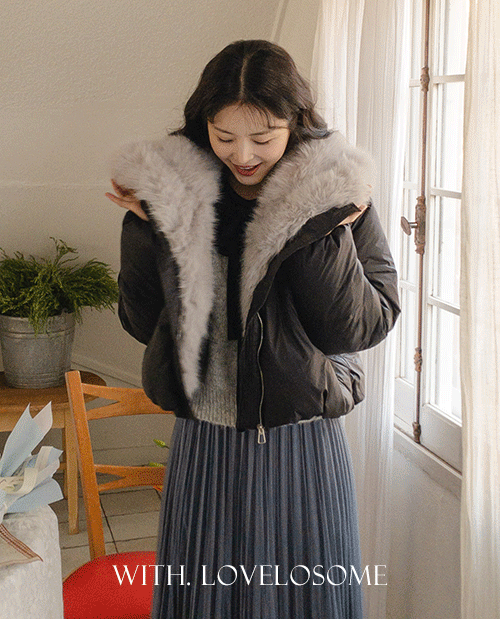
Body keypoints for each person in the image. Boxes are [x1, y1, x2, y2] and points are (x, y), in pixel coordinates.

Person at [106, 39, 400, 619]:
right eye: (224, 136)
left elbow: (357, 328)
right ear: (203, 126)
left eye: (263, 138)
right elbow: (142, 324)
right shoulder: (176, 194)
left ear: (296, 123)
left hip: (302, 442)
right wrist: (146, 230)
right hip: (205, 444)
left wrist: (318, 228)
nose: (243, 154)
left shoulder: (341, 191)